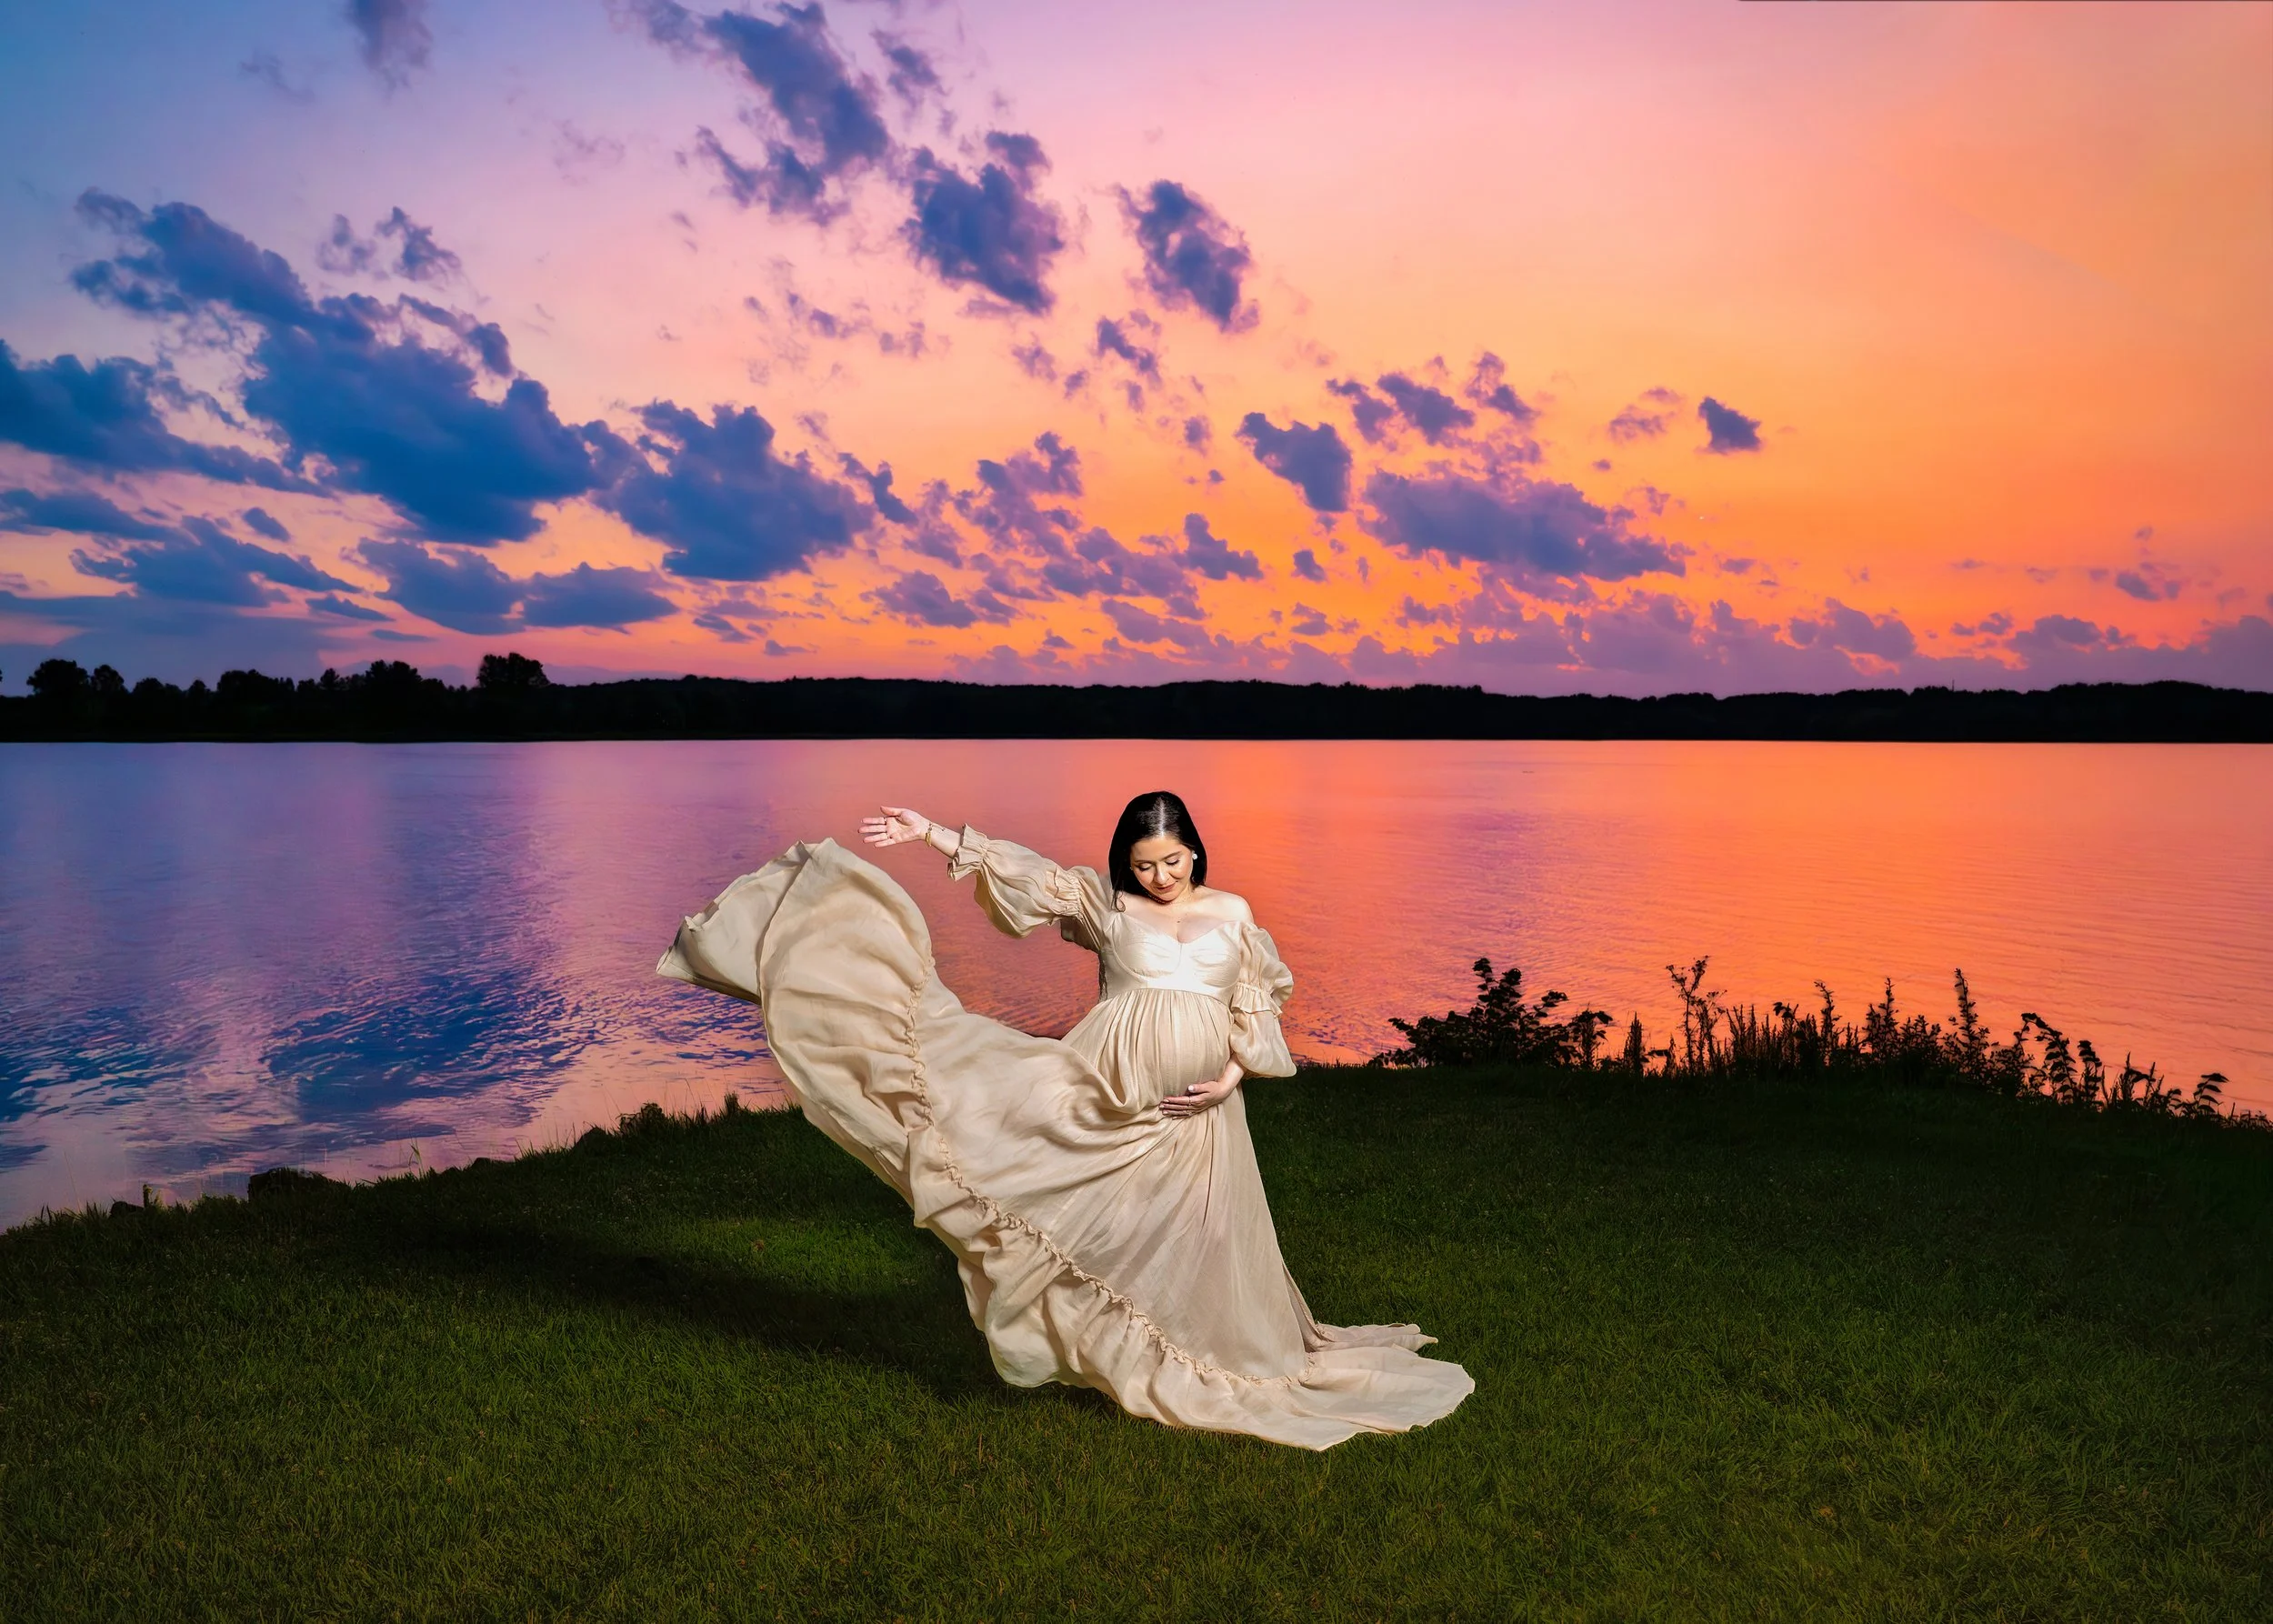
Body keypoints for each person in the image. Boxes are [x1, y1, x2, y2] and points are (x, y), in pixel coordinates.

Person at [657, 790, 1473, 1449]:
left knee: (1204, 1232)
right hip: (1103, 1088)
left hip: (1203, 1108)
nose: (1159, 876)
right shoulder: (1103, 907)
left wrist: (1229, 1080)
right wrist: (934, 832)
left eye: (1173, 859)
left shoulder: (1234, 911)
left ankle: (1221, 1349)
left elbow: (1254, 1002)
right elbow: (1026, 873)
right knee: (1075, 1200)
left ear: (1195, 848)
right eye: (1145, 863)